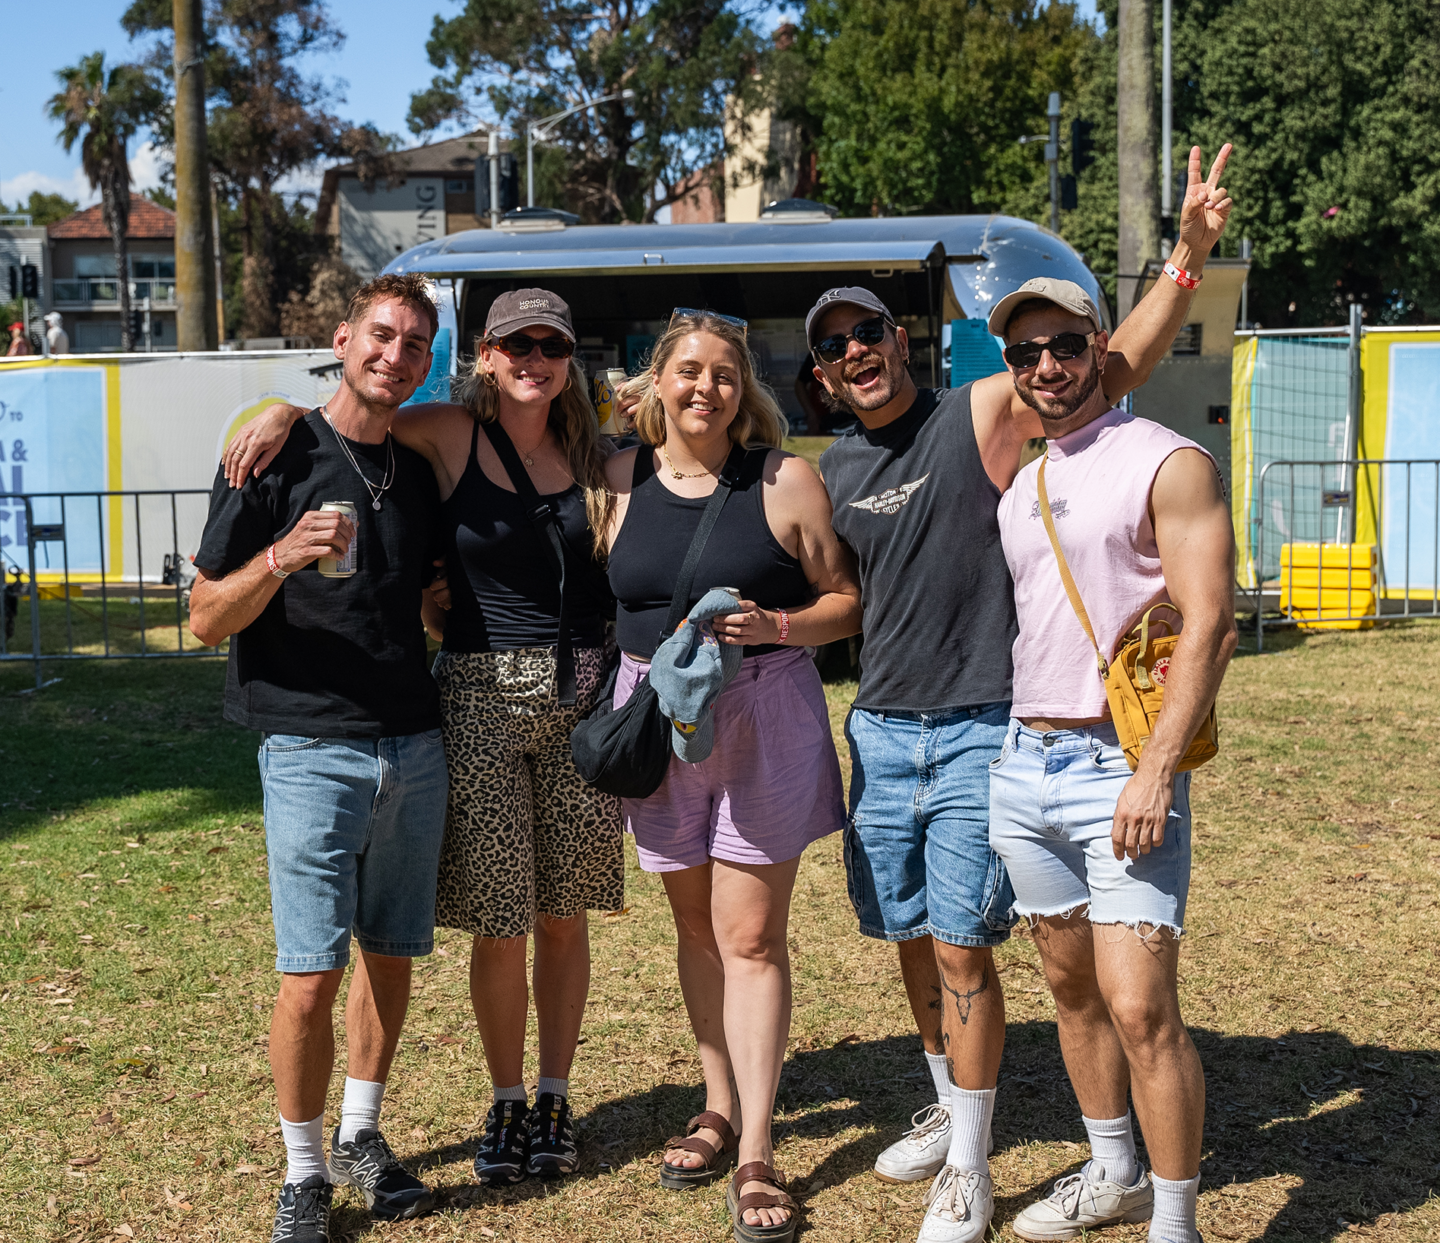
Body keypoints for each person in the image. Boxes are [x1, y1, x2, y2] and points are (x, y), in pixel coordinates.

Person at [809, 146, 1233, 1243]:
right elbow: (840, 591)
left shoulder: (1003, 420)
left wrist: (1186, 257)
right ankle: (1043, 1142)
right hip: (951, 744)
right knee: (988, 960)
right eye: (834, 347)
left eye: (869, 333)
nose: (856, 352)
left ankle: (1110, 1198)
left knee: (1077, 983)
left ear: (902, 341)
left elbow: (1115, 369)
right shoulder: (880, 468)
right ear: (820, 373)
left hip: (1044, 744)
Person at [223, 288, 623, 1187]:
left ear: (569, 356)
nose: (533, 356)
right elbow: (350, 421)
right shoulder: (445, 430)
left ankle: (554, 1095)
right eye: (514, 341)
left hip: (581, 693)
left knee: (562, 917)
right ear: (484, 353)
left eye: (551, 343)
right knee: (500, 919)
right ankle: (508, 1098)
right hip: (477, 696)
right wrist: (276, 406)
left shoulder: (599, 452)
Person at [190, 273, 449, 1243]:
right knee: (310, 973)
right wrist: (284, 554)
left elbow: (424, 597)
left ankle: (362, 1132)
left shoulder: (416, 469)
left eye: (415, 344)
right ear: (342, 339)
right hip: (306, 747)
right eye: (381, 335)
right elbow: (205, 614)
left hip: (414, 744)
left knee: (391, 957)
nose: (395, 355)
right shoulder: (274, 449)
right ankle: (303, 1171)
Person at [603, 309, 862, 1243]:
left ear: (740, 387)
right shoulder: (616, 477)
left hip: (763, 710)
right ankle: (715, 1102)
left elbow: (844, 599)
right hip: (658, 719)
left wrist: (782, 626)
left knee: (749, 936)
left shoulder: (785, 479)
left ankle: (754, 1146)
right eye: (687, 370)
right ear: (656, 382)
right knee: (694, 928)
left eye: (722, 372)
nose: (704, 387)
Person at [989, 281, 1236, 1243]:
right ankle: (1113, 1167)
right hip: (1024, 761)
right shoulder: (1026, 477)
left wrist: (1156, 770)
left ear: (1099, 347)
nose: (1045, 366)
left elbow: (1209, 623)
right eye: (1024, 354)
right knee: (1072, 988)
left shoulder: (1165, 460)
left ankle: (1174, 1222)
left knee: (1142, 1007)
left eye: (1061, 345)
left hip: (1117, 765)